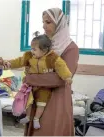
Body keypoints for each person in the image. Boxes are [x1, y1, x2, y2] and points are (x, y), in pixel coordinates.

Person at [23, 8, 79, 136]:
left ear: (59, 24)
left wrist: (31, 78)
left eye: (48, 22)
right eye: (43, 22)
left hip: (56, 99)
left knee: (48, 130)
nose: (44, 26)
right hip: (38, 94)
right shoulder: (45, 45)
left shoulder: (70, 48)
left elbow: (61, 78)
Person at [4, 31, 72, 129]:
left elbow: (62, 67)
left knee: (42, 102)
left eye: (34, 49)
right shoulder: (29, 56)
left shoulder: (52, 58)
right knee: (28, 100)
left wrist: (67, 77)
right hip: (31, 85)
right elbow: (19, 61)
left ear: (44, 50)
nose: (32, 51)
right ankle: (27, 117)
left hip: (44, 86)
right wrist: (9, 64)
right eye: (31, 48)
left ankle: (36, 118)